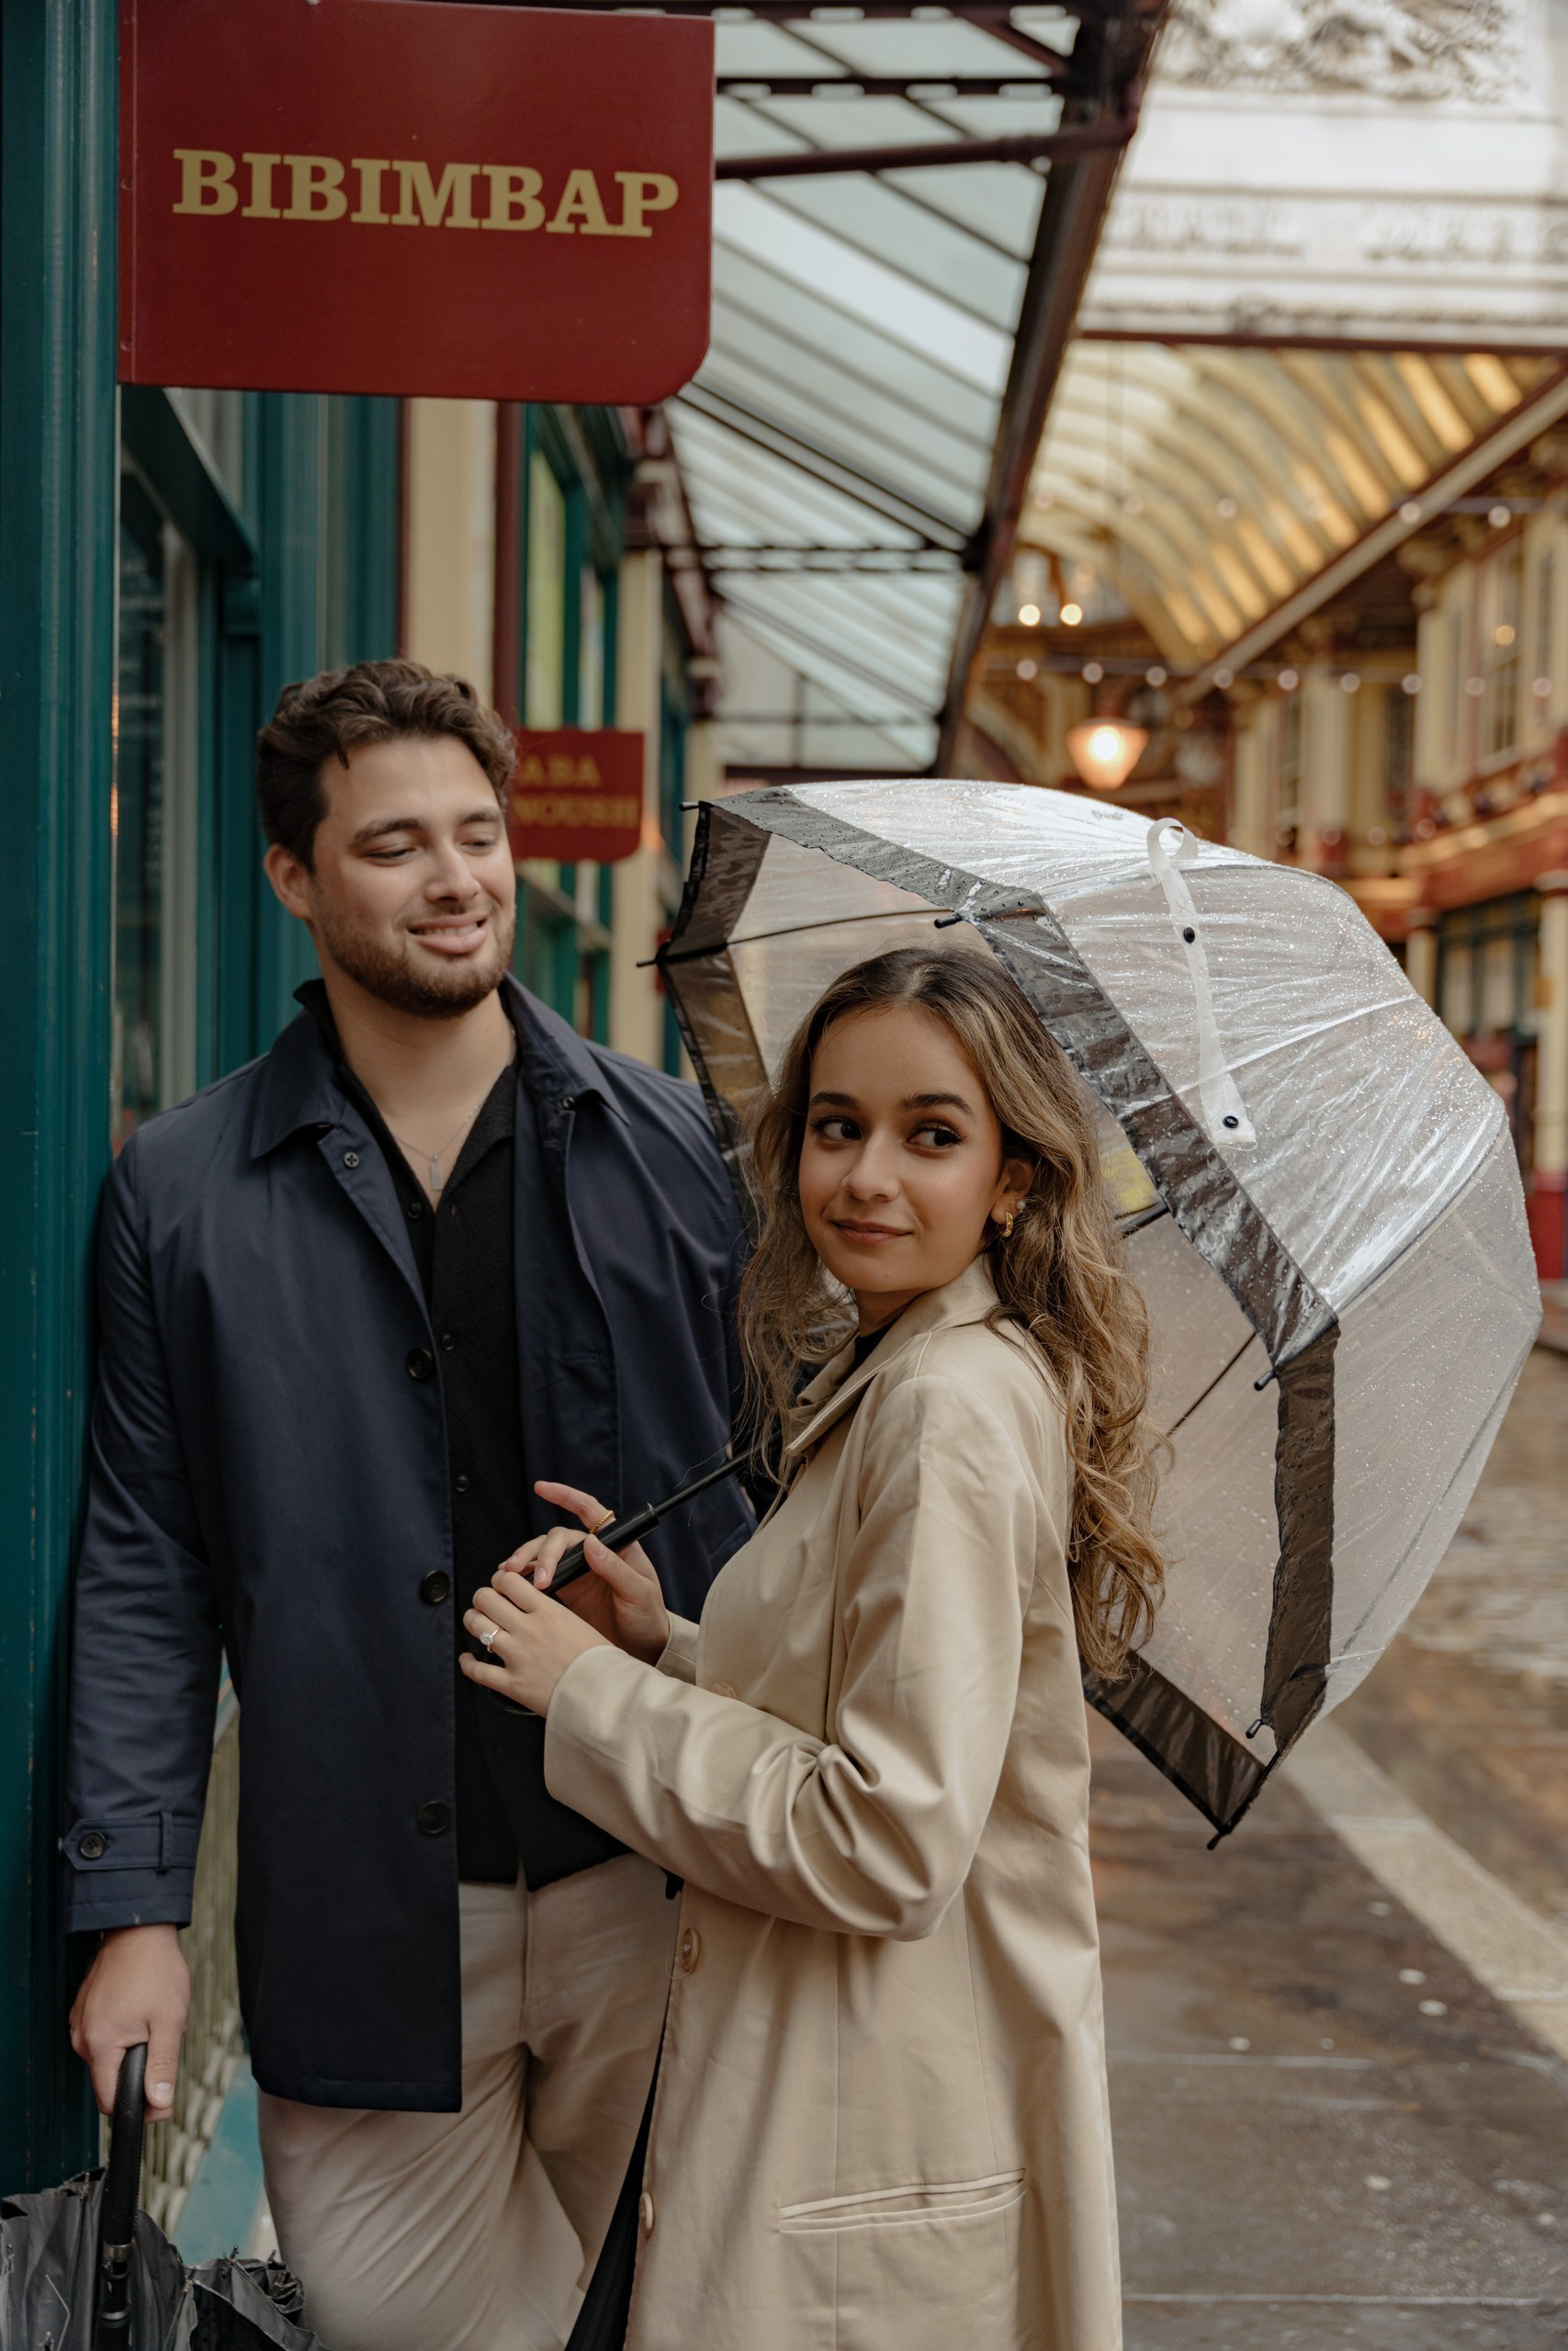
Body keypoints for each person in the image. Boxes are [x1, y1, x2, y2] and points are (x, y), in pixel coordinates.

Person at [64, 660, 752, 2351]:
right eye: (395, 846)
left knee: (647, 2320)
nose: (458, 879)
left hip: (649, 1886)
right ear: (296, 878)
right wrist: (133, 1914)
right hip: (365, 1915)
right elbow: (147, 1566)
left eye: (479, 832)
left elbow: (781, 1513)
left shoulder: (679, 1154)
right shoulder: (183, 1191)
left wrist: (677, 1618)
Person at [466, 944, 1166, 2350]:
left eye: (932, 1136)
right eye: (838, 1127)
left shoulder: (947, 1409)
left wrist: (590, 1698)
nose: (867, 1177)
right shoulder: (901, 1368)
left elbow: (885, 1837)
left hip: (873, 2125)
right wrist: (658, 1641)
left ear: (1013, 1177)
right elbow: (845, 1705)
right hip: (847, 2088)